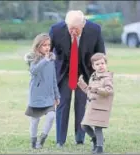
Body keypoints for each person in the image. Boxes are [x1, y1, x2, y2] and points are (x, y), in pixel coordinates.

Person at [49, 10, 105, 146]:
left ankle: (80, 139)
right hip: (64, 72)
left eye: (76, 29)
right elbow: (47, 51)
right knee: (62, 104)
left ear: (83, 24)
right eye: (70, 28)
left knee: (81, 105)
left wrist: (100, 77)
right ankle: (60, 140)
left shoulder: (95, 30)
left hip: (85, 73)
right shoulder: (55, 30)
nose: (73, 31)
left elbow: (100, 53)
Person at [24, 33, 60, 149]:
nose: (47, 47)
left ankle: (42, 139)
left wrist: (56, 95)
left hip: (49, 96)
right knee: (35, 120)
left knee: (51, 117)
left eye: (49, 45)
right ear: (38, 46)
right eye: (44, 45)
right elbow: (34, 71)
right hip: (36, 95)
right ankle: (33, 142)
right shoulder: (33, 58)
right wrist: (44, 60)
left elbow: (54, 78)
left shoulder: (51, 59)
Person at [77, 53, 114, 154]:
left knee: (98, 127)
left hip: (101, 107)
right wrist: (82, 84)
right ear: (93, 66)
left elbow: (109, 90)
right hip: (92, 107)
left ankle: (99, 147)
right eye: (97, 64)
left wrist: (97, 89)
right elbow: (89, 91)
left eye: (102, 63)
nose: (100, 66)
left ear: (106, 64)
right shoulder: (93, 76)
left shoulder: (107, 78)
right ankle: (95, 139)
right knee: (84, 125)